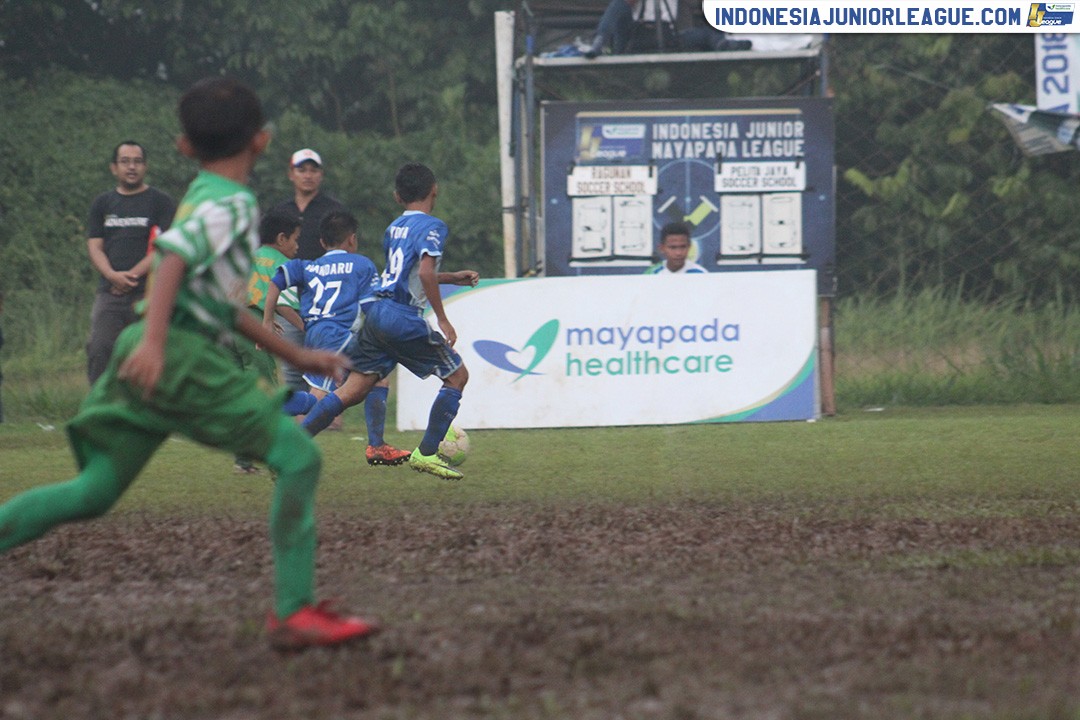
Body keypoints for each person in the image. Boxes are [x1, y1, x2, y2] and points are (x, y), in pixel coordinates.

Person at [0, 77, 376, 650]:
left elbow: (222, 304)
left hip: (151, 348)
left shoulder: (200, 192)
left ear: (182, 147)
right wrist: (156, 342)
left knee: (93, 491)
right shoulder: (232, 203)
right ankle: (294, 611)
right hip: (177, 354)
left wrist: (296, 353)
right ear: (262, 142)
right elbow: (172, 256)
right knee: (297, 458)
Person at [299, 162, 479, 481]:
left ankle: (292, 445)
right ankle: (426, 453)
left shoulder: (392, 228)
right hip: (402, 317)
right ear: (434, 189)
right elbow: (423, 273)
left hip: (378, 312)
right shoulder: (434, 226)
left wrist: (452, 278)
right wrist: (443, 318)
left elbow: (400, 276)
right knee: (456, 377)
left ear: (397, 197)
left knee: (353, 389)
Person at [263, 210, 410, 467]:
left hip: (314, 335)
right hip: (339, 334)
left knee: (315, 399)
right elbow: (369, 308)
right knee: (378, 373)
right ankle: (376, 446)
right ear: (352, 239)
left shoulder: (307, 266)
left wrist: (266, 319)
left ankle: (273, 404)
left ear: (322, 242)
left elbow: (275, 280)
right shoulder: (361, 264)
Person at [85, 141, 177, 383]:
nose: (131, 167)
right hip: (110, 293)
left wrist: (131, 275)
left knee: (152, 352)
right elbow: (95, 246)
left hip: (150, 292)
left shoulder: (161, 202)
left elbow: (167, 246)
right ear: (114, 168)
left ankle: (149, 411)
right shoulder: (102, 204)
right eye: (125, 161)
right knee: (99, 348)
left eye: (137, 161)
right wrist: (111, 275)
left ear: (145, 166)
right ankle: (99, 409)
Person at [231, 209, 314, 474]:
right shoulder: (278, 262)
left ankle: (243, 459)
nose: (298, 246)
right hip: (251, 329)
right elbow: (285, 305)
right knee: (267, 390)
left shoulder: (252, 256)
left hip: (228, 326)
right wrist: (310, 333)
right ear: (281, 239)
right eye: (295, 239)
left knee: (244, 394)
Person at [270, 148, 346, 427]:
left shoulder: (333, 209)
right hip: (290, 294)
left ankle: (328, 412)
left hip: (324, 295)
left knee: (325, 355)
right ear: (292, 174)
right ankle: (299, 416)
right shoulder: (281, 211)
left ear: (321, 174)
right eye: (302, 169)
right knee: (292, 362)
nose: (308, 175)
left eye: (313, 169)